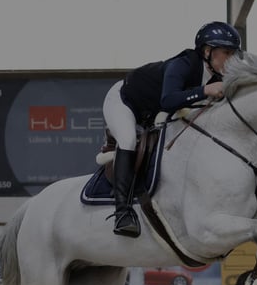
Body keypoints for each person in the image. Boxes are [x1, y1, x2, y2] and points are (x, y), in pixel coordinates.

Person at [101, 21, 242, 238]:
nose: (231, 59)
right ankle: (123, 212)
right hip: (124, 100)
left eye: (234, 54)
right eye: (227, 52)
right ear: (207, 51)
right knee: (128, 140)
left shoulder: (218, 76)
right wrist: (205, 90)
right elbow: (168, 100)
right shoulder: (184, 64)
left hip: (151, 112)